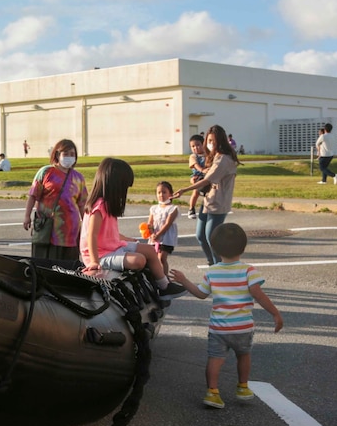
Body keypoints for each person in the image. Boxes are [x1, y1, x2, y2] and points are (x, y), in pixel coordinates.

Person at [170, 223, 283, 410]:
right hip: (243, 327)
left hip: (218, 328)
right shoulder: (248, 271)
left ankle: (212, 393)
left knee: (215, 359)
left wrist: (184, 280)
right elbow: (258, 294)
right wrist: (275, 313)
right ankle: (243, 387)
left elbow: (200, 294)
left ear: (214, 248)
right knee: (244, 356)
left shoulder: (212, 271)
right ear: (243, 247)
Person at [81, 158, 184, 298]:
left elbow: (110, 233)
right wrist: (94, 261)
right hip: (100, 255)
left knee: (150, 250)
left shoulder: (108, 205)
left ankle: (164, 286)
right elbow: (91, 236)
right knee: (138, 260)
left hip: (113, 247)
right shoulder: (98, 207)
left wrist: (129, 240)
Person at [173, 125, 240, 266]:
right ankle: (212, 264)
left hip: (219, 202)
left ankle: (220, 267)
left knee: (211, 237)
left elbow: (208, 179)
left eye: (214, 141)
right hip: (209, 200)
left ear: (220, 141)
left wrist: (185, 189)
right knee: (200, 236)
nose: (210, 144)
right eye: (209, 140)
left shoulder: (223, 159)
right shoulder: (215, 157)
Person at [21, 139, 87, 261]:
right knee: (45, 264)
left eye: (72, 154)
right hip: (48, 230)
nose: (69, 157)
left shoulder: (78, 178)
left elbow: (82, 204)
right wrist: (26, 216)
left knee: (69, 268)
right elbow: (33, 195)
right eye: (65, 154)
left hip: (71, 232)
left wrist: (86, 226)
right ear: (57, 154)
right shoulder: (46, 172)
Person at [148, 181, 179, 276]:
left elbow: (168, 224)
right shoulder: (154, 208)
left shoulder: (173, 208)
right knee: (154, 259)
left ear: (170, 194)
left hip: (166, 238)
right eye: (159, 192)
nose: (161, 195)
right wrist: (152, 233)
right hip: (155, 237)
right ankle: (156, 277)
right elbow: (150, 222)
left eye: (164, 192)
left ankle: (164, 278)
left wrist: (158, 234)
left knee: (162, 258)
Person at [187, 134, 207, 220]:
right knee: (196, 192)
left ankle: (207, 207)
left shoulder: (208, 155)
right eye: (193, 146)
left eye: (198, 145)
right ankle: (191, 208)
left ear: (203, 144)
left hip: (207, 175)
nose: (195, 148)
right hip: (197, 175)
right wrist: (202, 170)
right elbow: (195, 165)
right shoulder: (193, 156)